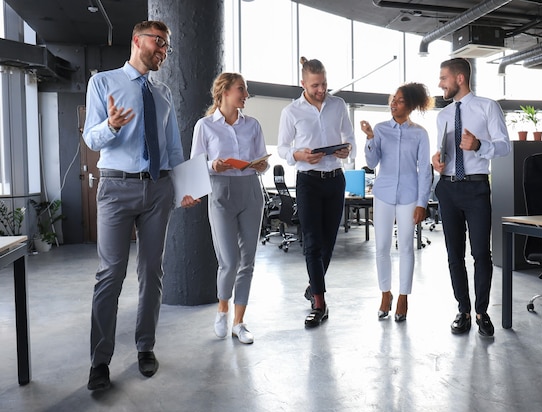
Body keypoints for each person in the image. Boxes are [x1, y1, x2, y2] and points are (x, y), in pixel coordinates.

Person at [83, 20, 199, 391]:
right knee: (111, 274)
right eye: (158, 42)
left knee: (152, 271)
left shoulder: (162, 93)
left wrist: (185, 185)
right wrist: (112, 126)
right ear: (137, 40)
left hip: (158, 190)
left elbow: (173, 148)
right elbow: (91, 138)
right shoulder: (102, 83)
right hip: (117, 187)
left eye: (167, 47)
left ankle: (145, 347)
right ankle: (99, 361)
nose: (163, 51)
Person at [431, 58, 511, 337]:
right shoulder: (442, 116)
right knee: (454, 254)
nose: (440, 83)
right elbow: (442, 152)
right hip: (447, 188)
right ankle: (463, 310)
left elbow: (504, 147)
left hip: (476, 188)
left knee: (480, 254)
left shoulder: (488, 107)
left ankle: (482, 311)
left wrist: (479, 145)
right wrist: (436, 161)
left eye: (443, 78)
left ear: (460, 78)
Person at [189, 72, 268, 345]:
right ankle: (222, 309)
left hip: (250, 192)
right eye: (241, 90)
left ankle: (239, 322)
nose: (245, 95)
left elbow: (263, 161)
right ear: (224, 92)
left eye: (245, 90)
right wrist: (214, 165)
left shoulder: (253, 125)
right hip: (221, 192)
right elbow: (196, 163)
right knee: (229, 261)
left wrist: (261, 164)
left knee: (248, 261)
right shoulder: (205, 126)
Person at [277, 57, 356, 329]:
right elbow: (283, 148)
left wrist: (348, 149)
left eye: (324, 84)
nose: (321, 90)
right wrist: (297, 154)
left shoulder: (338, 105)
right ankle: (319, 304)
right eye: (315, 86)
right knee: (311, 241)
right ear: (303, 84)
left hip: (335, 179)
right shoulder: (291, 112)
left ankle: (314, 286)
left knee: (328, 242)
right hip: (307, 181)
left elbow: (350, 137)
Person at [360, 83, 433, 322]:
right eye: (393, 100)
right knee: (381, 247)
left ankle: (403, 297)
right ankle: (385, 294)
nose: (394, 104)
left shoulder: (420, 133)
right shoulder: (380, 129)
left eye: (400, 101)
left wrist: (423, 202)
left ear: (410, 105)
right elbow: (371, 163)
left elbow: (424, 171)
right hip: (383, 193)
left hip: (409, 196)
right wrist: (370, 138)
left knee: (405, 248)